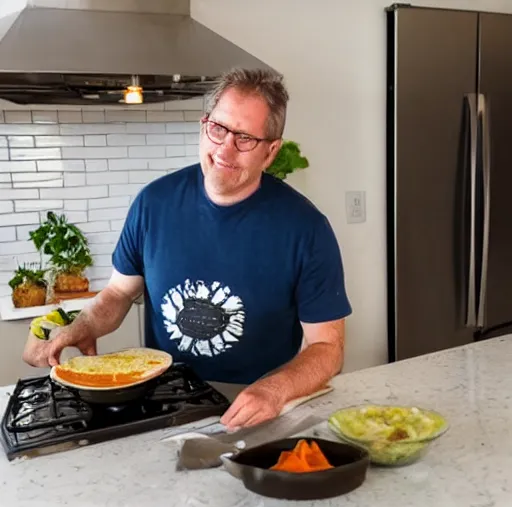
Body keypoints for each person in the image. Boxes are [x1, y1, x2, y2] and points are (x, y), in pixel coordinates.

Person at [22, 68, 352, 430]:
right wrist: (84, 325)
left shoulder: (305, 228)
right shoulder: (153, 203)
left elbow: (327, 348)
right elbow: (119, 291)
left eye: (245, 138)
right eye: (219, 129)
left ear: (270, 152)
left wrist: (273, 390)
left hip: (260, 408)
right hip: (163, 400)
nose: (225, 148)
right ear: (204, 125)